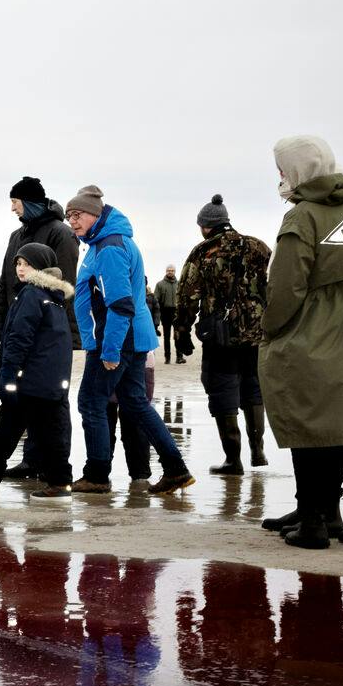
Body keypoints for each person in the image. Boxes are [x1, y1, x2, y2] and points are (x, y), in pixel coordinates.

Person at [257, 136, 343, 549]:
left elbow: (287, 288)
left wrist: (269, 328)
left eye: (283, 170)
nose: (280, 178)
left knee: (311, 422)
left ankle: (319, 518)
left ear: (297, 171)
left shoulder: (302, 218)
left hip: (311, 329)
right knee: (339, 421)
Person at [63, 186, 193, 494]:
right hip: (130, 338)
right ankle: (176, 469)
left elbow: (120, 304)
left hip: (117, 339)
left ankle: (96, 475)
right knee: (135, 404)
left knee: (91, 403)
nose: (73, 221)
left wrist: (109, 350)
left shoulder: (109, 247)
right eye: (69, 216)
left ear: (96, 213)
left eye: (78, 215)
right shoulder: (103, 242)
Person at [0, 244, 75, 497]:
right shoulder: (55, 298)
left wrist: (8, 379)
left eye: (26, 264)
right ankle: (59, 482)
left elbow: (19, 339)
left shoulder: (32, 295)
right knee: (52, 432)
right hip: (49, 381)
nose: (20, 269)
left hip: (28, 380)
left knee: (7, 429)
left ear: (40, 267)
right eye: (18, 264)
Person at [0, 176, 83, 480]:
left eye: (15, 203)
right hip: (17, 325)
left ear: (28, 202)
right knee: (23, 398)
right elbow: (6, 280)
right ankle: (31, 461)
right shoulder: (16, 236)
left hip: (48, 333)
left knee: (50, 400)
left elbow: (62, 286)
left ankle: (52, 465)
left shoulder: (61, 233)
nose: (13, 209)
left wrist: (57, 333)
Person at [173, 194, 271, 475]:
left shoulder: (203, 252)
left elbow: (187, 295)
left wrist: (182, 333)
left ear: (206, 225)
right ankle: (258, 450)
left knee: (222, 390)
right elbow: (271, 287)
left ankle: (233, 459)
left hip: (221, 334)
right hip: (255, 333)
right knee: (253, 387)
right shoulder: (259, 248)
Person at [154, 265, 183, 362]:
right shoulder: (160, 284)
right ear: (166, 271)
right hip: (165, 311)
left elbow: (183, 298)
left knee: (178, 335)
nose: (170, 272)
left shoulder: (179, 284)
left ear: (175, 272)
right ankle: (167, 357)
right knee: (166, 336)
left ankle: (179, 357)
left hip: (177, 312)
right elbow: (156, 300)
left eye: (172, 270)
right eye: (168, 270)